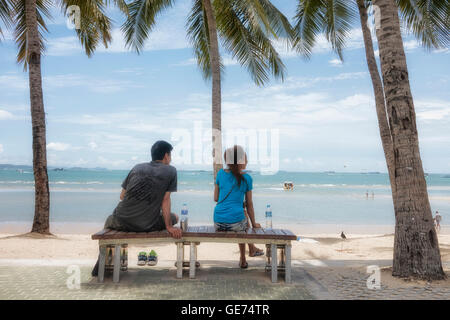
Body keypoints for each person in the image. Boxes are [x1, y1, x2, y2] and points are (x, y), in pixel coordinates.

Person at [92, 140, 182, 276]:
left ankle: (103, 259)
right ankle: (111, 258)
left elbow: (122, 196)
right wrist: (169, 227)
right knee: (175, 217)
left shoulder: (137, 167)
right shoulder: (171, 170)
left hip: (120, 219)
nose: (170, 159)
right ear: (166, 156)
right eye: (170, 155)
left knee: (109, 220)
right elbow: (165, 200)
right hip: (145, 224)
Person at [213, 145, 264, 269]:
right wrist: (254, 223)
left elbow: (216, 198)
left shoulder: (220, 173)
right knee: (243, 217)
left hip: (218, 222)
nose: (247, 160)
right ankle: (243, 257)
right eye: (245, 157)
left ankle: (250, 251)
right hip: (235, 224)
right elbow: (250, 204)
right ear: (241, 160)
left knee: (241, 213)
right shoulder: (247, 178)